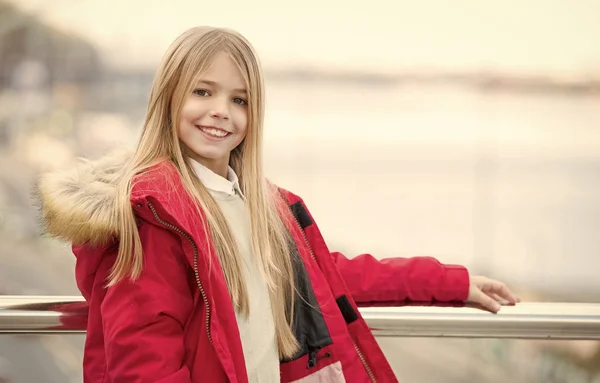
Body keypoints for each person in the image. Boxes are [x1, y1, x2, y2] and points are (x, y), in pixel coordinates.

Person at [37, 26, 519, 383]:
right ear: (168, 99)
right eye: (203, 92)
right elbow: (143, 362)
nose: (221, 110)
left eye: (239, 99)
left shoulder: (260, 206)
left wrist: (451, 282)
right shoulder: (155, 216)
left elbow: (330, 275)